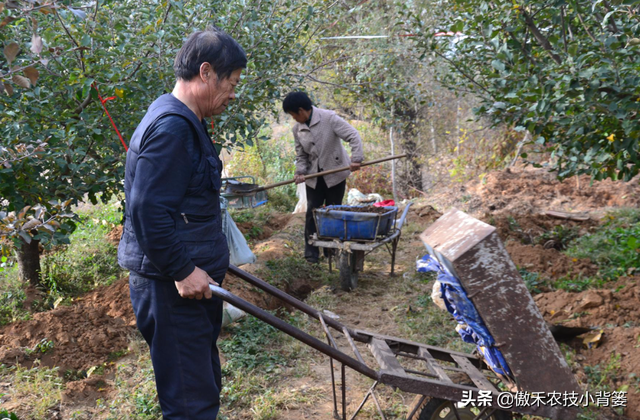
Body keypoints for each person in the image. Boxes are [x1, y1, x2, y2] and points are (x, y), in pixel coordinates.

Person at [117, 27, 246, 419]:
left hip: (190, 285)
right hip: (173, 289)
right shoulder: (172, 128)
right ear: (206, 73)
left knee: (200, 387)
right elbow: (147, 210)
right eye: (231, 83)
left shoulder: (184, 120)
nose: (233, 93)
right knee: (191, 403)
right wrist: (182, 269)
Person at [282, 92, 364, 263]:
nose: (294, 119)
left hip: (335, 174)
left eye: (293, 115)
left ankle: (331, 251)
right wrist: (300, 172)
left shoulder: (329, 118)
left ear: (301, 110)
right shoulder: (297, 129)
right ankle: (311, 253)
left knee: (333, 212)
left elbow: (353, 136)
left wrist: (356, 159)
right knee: (312, 212)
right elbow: (301, 155)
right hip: (314, 177)